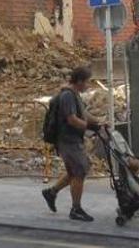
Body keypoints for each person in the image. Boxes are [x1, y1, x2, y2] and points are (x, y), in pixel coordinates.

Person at [41, 67, 103, 222]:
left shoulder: (74, 95)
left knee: (73, 171)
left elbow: (83, 113)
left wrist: (99, 122)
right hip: (68, 140)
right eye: (87, 82)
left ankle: (51, 192)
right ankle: (76, 209)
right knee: (80, 171)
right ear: (80, 81)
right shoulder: (67, 96)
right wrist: (88, 126)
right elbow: (72, 119)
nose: (88, 85)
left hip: (72, 139)